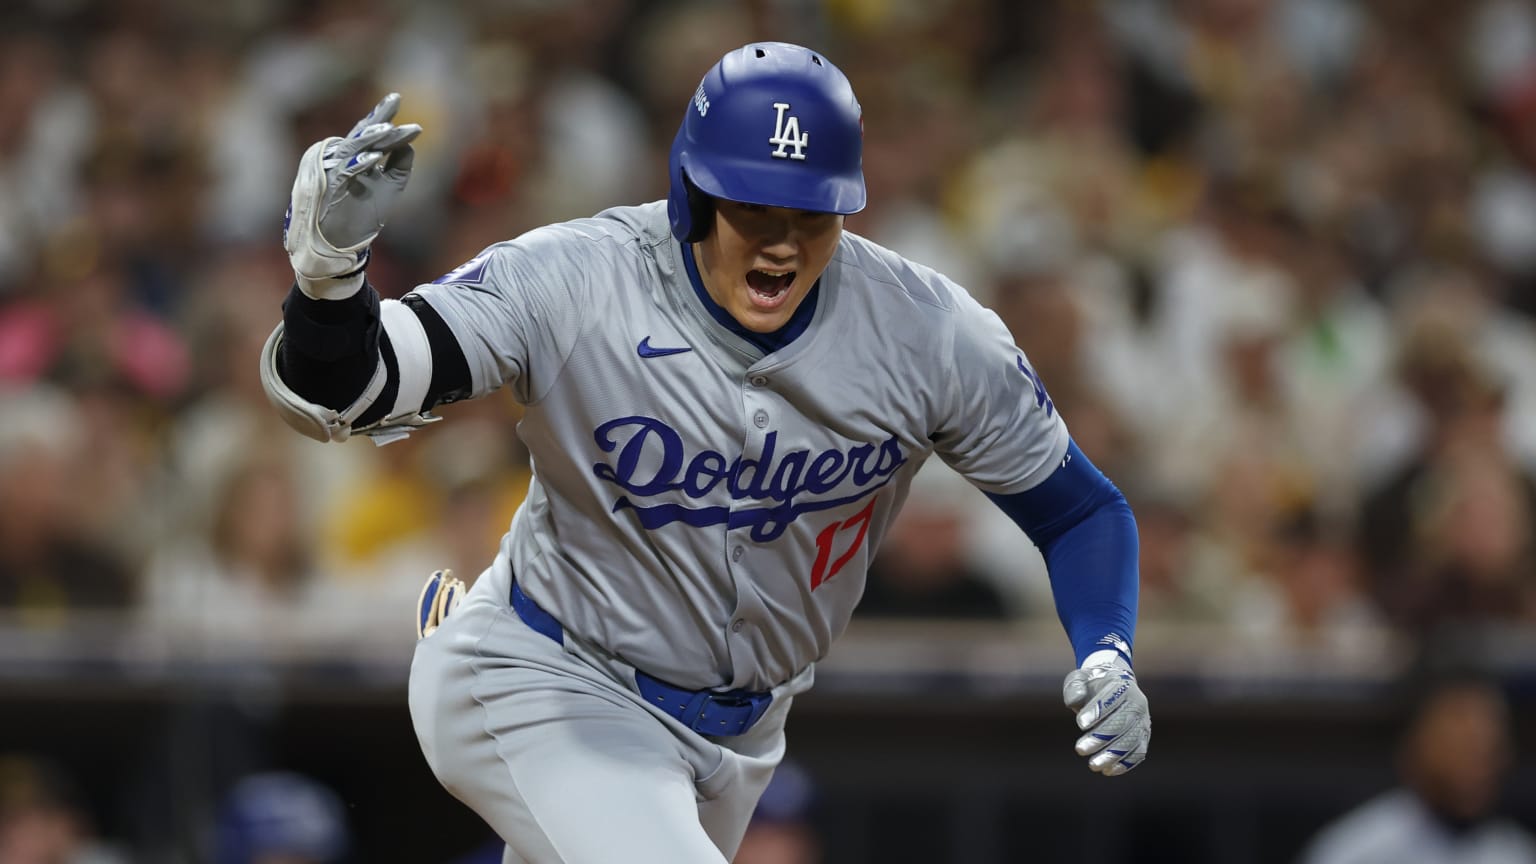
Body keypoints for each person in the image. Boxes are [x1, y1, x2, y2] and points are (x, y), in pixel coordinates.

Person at [260, 42, 1149, 863]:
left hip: (744, 738)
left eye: (812, 211)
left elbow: (1080, 510)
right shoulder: (577, 280)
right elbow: (353, 385)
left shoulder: (928, 334)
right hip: (544, 674)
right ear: (691, 191)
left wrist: (1106, 648)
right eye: (751, 202)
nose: (781, 239)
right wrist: (330, 278)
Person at [1299, 675, 1536, 864]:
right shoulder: (1357, 850)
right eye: (1462, 744)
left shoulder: (1517, 854)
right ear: (1416, 744)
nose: (1476, 765)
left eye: (1490, 749)